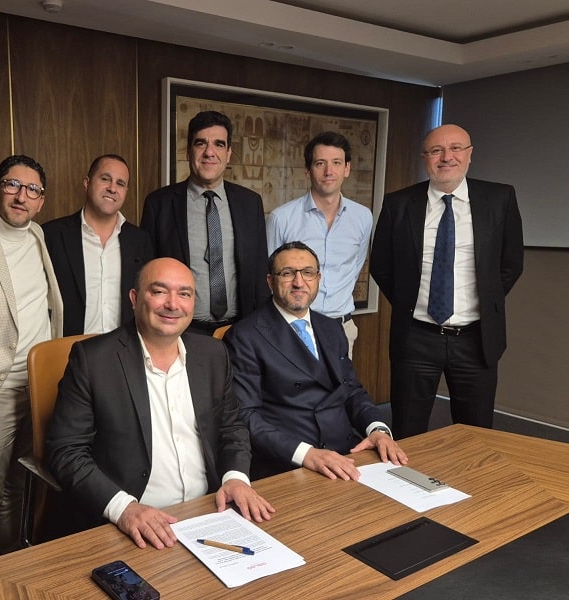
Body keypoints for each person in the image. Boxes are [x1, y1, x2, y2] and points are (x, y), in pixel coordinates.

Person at [46, 257, 275, 549]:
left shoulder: (213, 354)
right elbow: (66, 451)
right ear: (134, 298)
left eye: (184, 294)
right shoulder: (92, 360)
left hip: (209, 511)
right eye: (159, 291)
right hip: (130, 522)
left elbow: (232, 427)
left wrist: (235, 477)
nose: (172, 304)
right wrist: (124, 509)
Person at [370, 124, 524, 438]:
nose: (446, 157)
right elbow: (381, 266)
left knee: (475, 435)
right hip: (416, 338)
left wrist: (486, 301)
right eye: (436, 150)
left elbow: (511, 264)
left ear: (470, 154)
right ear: (425, 158)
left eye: (455, 148)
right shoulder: (399, 203)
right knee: (408, 433)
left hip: (476, 339)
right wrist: (410, 302)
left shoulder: (500, 198)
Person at [224, 242, 407, 481]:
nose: (299, 282)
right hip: (290, 462)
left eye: (308, 273)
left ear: (318, 279)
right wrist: (306, 454)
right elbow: (246, 415)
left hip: (348, 451)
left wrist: (378, 430)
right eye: (287, 273)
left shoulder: (331, 328)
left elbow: (352, 391)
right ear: (270, 281)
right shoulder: (245, 336)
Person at [0, 155, 63, 564]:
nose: (22, 196)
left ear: (41, 201)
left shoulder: (39, 236)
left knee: (18, 487)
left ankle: (8, 572)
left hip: (37, 387)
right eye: (12, 185)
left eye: (32, 189)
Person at [141, 110, 269, 335]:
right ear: (188, 151)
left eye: (219, 144)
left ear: (228, 154)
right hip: (181, 330)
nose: (209, 152)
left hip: (240, 330)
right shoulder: (159, 204)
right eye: (200, 143)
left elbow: (260, 274)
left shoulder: (250, 203)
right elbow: (147, 274)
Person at [265, 131, 372, 358]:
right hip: (292, 329)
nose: (328, 171)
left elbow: (354, 268)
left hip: (341, 329)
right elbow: (271, 278)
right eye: (320, 163)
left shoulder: (363, 217)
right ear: (307, 170)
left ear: (347, 168)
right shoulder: (281, 218)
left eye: (336, 163)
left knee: (341, 383)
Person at [43, 154, 153, 335]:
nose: (112, 188)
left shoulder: (140, 241)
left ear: (126, 191)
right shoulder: (52, 235)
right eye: (105, 179)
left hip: (123, 347)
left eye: (120, 183)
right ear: (87, 183)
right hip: (67, 347)